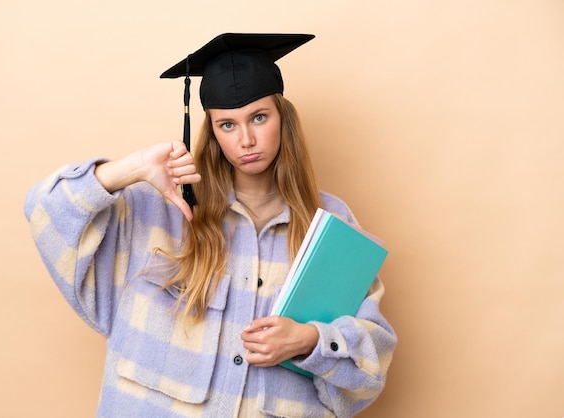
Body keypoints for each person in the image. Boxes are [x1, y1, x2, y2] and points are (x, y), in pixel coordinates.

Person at [24, 33, 397, 418]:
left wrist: (310, 340)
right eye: (227, 125)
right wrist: (131, 167)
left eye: (259, 117)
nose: (247, 140)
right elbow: (45, 211)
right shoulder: (158, 207)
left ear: (282, 118)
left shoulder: (330, 226)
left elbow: (371, 367)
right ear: (213, 131)